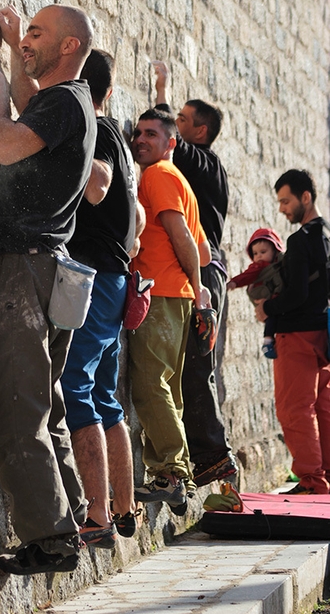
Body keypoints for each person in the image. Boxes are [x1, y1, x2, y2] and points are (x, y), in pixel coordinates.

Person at [0, 3, 96, 575]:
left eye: (37, 33)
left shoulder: (68, 101)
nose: (25, 39)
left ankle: (52, 541)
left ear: (69, 46)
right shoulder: (67, 105)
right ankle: (70, 518)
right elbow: (35, 115)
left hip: (26, 266)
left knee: (17, 408)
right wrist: (14, 60)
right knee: (43, 408)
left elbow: (6, 143)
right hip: (45, 265)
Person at [61, 49, 143, 548]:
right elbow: (134, 224)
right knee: (107, 397)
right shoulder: (121, 139)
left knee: (76, 387)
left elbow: (97, 187)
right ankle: (124, 507)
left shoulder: (99, 128)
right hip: (113, 277)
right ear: (110, 90)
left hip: (93, 277)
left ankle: (96, 516)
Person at [153, 61, 238, 488]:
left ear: (198, 132)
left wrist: (161, 87)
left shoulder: (204, 163)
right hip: (201, 273)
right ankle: (203, 456)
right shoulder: (202, 169)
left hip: (206, 274)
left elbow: (168, 133)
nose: (175, 128)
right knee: (188, 365)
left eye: (184, 122)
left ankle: (213, 456)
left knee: (196, 365)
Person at [129, 107, 212, 514]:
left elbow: (181, 237)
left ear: (171, 143)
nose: (141, 140)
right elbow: (204, 249)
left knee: (149, 384)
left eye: (151, 135)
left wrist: (198, 291)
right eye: (138, 133)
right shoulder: (180, 181)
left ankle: (174, 474)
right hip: (174, 295)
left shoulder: (157, 175)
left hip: (160, 292)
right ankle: (169, 473)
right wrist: (197, 292)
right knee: (167, 387)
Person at [255, 169, 330, 495]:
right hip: (322, 335)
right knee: (322, 407)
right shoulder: (326, 236)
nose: (283, 208)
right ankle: (324, 475)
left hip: (296, 335)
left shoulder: (300, 240)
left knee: (293, 409)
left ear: (306, 197)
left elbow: (296, 293)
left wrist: (266, 309)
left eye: (286, 201)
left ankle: (312, 482)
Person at [227, 228, 284, 359]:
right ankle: (268, 341)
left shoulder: (278, 266)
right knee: (271, 317)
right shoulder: (258, 267)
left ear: (275, 250)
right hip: (267, 297)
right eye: (255, 253)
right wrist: (235, 282)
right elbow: (247, 276)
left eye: (263, 252)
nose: (259, 256)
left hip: (275, 296)